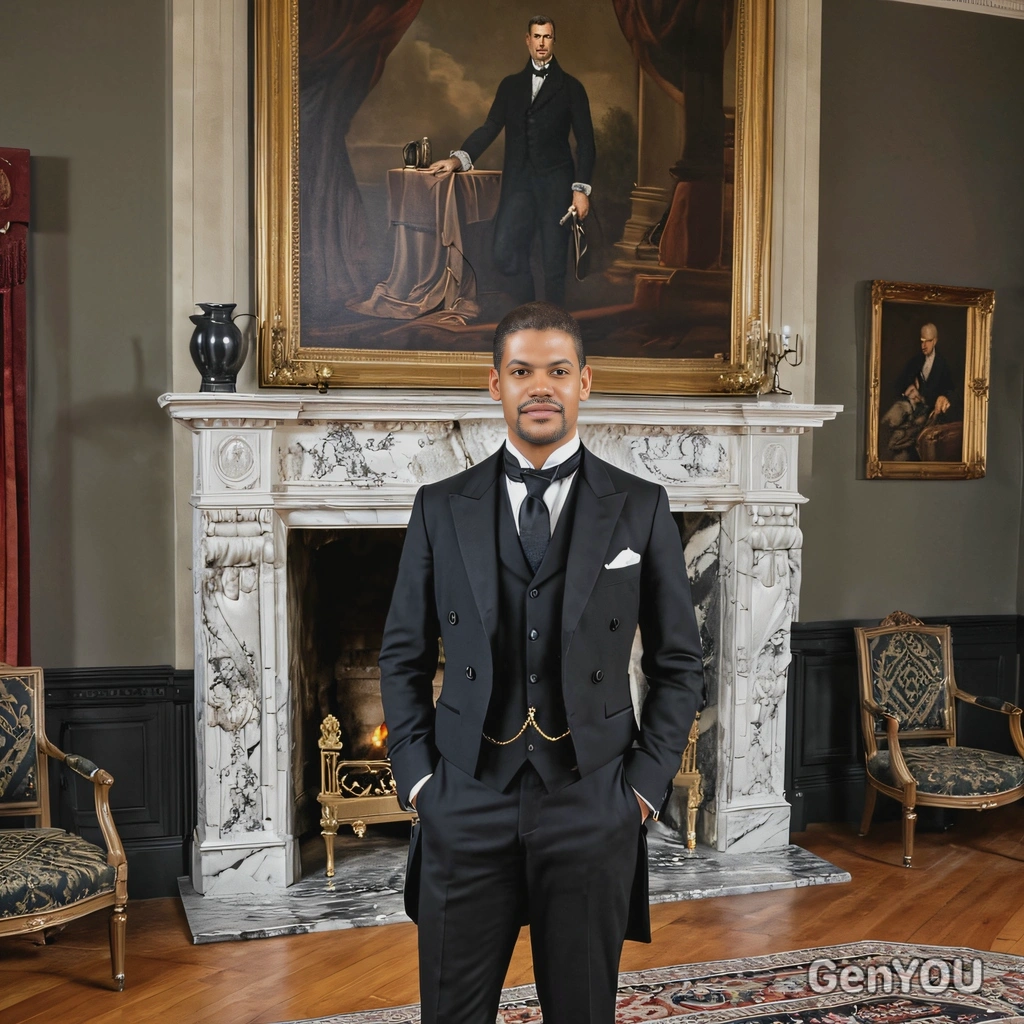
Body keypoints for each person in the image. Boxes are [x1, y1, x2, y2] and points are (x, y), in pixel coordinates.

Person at [379, 301, 704, 1024]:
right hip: (464, 798)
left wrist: (642, 793)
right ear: (494, 384)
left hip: (592, 800)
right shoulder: (439, 507)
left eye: (558, 371)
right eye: (522, 371)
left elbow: (681, 663)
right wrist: (421, 783)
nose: (540, 387)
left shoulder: (641, 508)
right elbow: (400, 655)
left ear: (585, 382)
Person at [427, 17, 595, 308]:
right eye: (537, 36)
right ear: (527, 40)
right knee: (504, 253)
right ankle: (529, 313)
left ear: (554, 41)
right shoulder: (510, 86)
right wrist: (458, 159)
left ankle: (554, 329)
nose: (542, 43)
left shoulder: (571, 88)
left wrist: (580, 190)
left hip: (557, 186)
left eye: (547, 37)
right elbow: (490, 127)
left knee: (554, 263)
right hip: (519, 185)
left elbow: (587, 143)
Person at [881, 322, 957, 461]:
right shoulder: (916, 360)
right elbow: (899, 385)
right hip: (911, 406)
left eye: (927, 341)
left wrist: (943, 397)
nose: (924, 345)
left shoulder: (944, 364)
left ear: (935, 341)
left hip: (928, 412)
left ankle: (895, 446)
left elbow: (952, 390)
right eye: (922, 341)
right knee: (892, 417)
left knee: (902, 442)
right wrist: (908, 389)